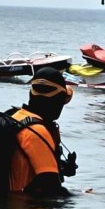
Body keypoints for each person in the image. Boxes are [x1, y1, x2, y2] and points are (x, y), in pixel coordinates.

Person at [8, 67, 75, 197]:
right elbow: (51, 188)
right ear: (58, 100)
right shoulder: (37, 132)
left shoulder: (15, 118)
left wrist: (60, 167)